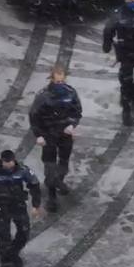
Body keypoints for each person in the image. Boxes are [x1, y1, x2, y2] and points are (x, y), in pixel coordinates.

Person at [29, 66, 83, 213]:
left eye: (62, 81)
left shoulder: (71, 93)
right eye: (57, 81)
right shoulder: (43, 96)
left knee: (64, 163)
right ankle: (52, 196)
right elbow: (34, 116)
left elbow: (77, 111)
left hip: (65, 134)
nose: (60, 84)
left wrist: (72, 125)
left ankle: (58, 181)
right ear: (52, 79)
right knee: (50, 166)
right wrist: (39, 135)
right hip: (48, 134)